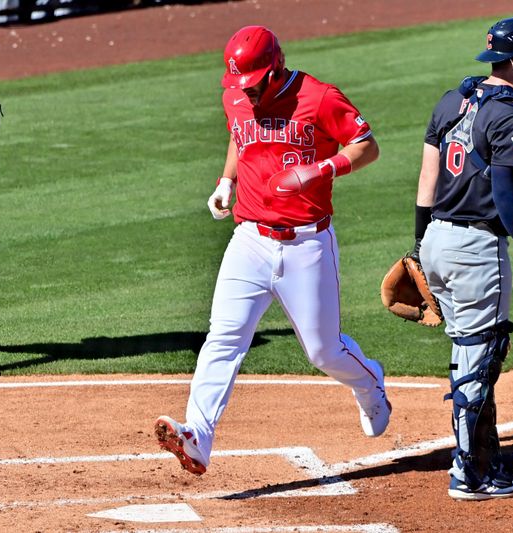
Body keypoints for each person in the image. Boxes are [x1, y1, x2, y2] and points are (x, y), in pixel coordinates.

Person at [154, 25, 391, 476]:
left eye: (255, 84)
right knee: (223, 338)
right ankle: (198, 437)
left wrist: (319, 171)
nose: (249, 93)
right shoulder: (236, 95)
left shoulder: (318, 97)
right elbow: (239, 135)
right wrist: (227, 181)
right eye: (242, 85)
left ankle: (370, 382)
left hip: (307, 244)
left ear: (276, 67)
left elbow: (367, 146)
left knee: (324, 352)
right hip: (249, 239)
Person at [412, 17, 513, 500]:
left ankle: (485, 456)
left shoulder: (450, 100)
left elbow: (426, 182)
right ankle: (471, 475)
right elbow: (505, 195)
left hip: (437, 237)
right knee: (481, 360)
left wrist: (420, 251)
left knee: (468, 353)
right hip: (477, 249)